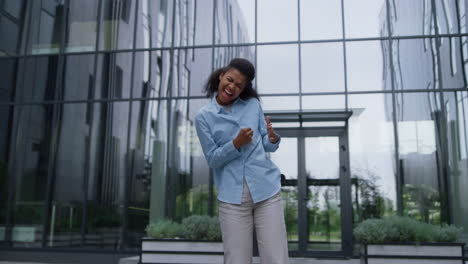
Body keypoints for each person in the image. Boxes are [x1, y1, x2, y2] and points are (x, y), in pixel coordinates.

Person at [194, 58, 289, 264]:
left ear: (244, 88)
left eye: (239, 85)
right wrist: (235, 144)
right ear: (221, 75)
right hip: (232, 198)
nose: (232, 87)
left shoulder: (253, 105)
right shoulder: (203, 117)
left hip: (266, 191)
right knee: (237, 260)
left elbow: (266, 143)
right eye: (230, 80)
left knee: (276, 258)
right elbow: (212, 159)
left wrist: (272, 138)